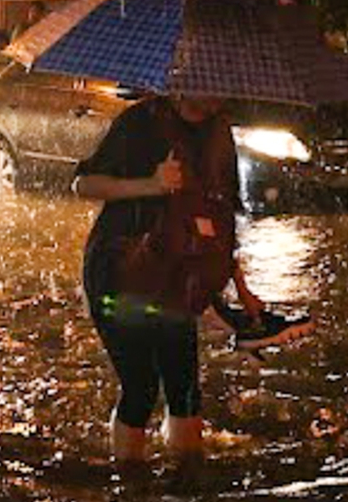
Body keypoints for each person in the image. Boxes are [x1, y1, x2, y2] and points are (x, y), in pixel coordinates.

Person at [72, 95, 264, 465]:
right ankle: (130, 489)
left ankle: (186, 491)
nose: (214, 96)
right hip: (120, 276)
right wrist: (151, 185)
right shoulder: (140, 121)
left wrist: (240, 289)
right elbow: (83, 185)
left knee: (185, 389)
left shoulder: (219, 131)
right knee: (141, 388)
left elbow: (221, 215)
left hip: (180, 278)